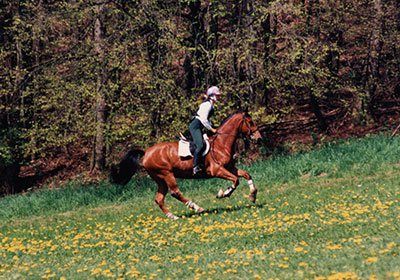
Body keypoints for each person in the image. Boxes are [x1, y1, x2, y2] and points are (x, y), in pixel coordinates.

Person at [189, 86, 221, 175]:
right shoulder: (207, 105)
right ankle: (195, 166)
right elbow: (203, 119)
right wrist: (211, 129)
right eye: (217, 95)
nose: (218, 97)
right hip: (195, 126)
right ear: (212, 96)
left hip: (200, 126)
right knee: (200, 145)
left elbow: (207, 120)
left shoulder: (210, 104)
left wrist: (213, 127)